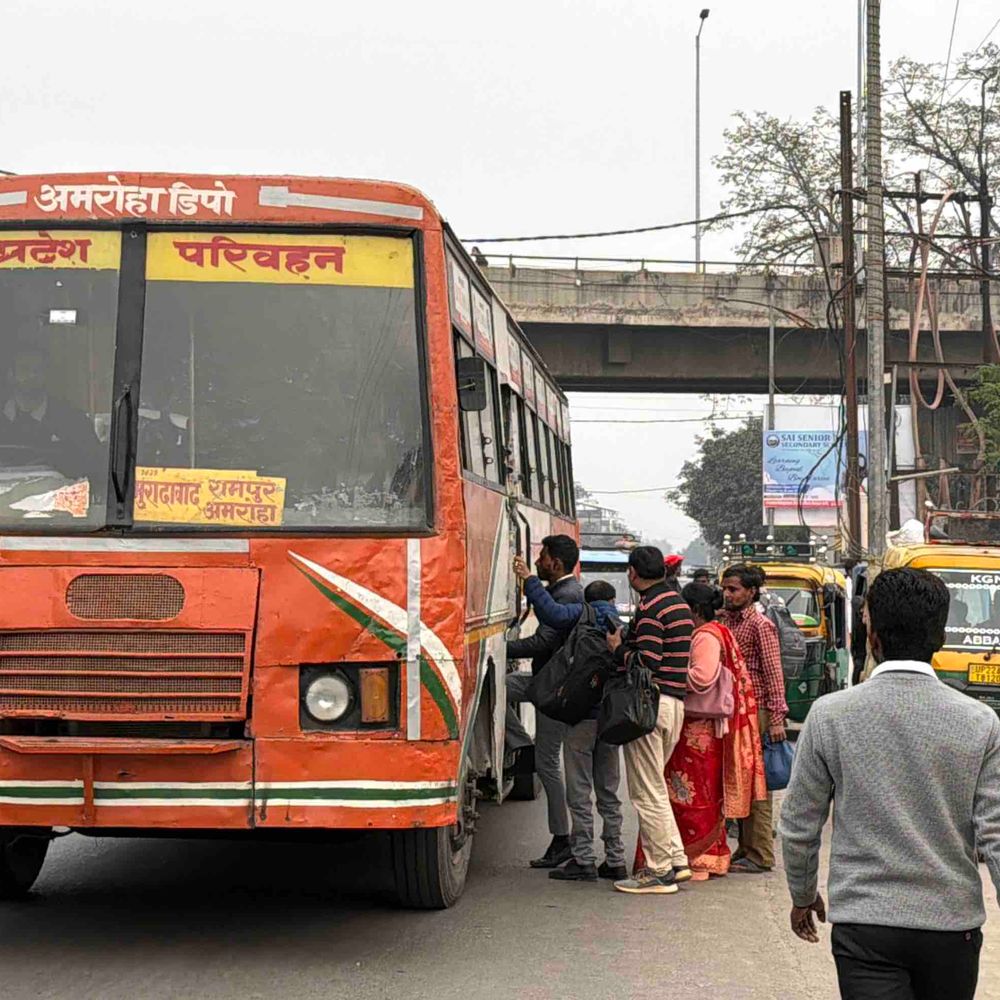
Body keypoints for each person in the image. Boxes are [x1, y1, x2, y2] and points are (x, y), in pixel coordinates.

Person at [779, 567, 1000, 1000]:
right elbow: (995, 832)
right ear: (939, 638)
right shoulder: (981, 723)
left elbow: (799, 823)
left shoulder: (829, 715)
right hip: (951, 930)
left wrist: (803, 895)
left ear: (873, 634)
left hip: (865, 926)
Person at [634, 582, 766, 880]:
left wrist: (665, 675)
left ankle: (694, 858)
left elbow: (702, 677)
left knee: (690, 796)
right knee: (694, 794)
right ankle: (701, 856)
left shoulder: (705, 636)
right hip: (702, 728)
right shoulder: (716, 632)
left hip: (698, 730)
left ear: (694, 610)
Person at [513, 558, 626, 882]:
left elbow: (551, 614)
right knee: (608, 793)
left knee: (579, 792)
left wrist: (529, 580)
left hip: (582, 720)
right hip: (611, 722)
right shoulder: (621, 624)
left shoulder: (582, 614)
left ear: (588, 600)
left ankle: (584, 859)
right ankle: (615, 859)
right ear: (612, 601)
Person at [606, 545, 693, 895]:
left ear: (632, 573)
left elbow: (647, 662)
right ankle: (675, 859)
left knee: (647, 791)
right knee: (655, 786)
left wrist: (618, 648)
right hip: (674, 705)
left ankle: (657, 871)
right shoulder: (678, 603)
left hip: (649, 705)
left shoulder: (652, 607)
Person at [506, 534, 583, 869]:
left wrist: (501, 649)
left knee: (548, 764)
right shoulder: (564, 591)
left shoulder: (567, 594)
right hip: (543, 682)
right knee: (502, 687)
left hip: (553, 691)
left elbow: (541, 642)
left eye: (542, 557)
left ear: (556, 562)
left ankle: (562, 837)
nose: (538, 562)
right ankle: (521, 744)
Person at [719, 563, 788, 874]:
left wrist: (776, 719)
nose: (727, 594)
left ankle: (760, 853)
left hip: (757, 711)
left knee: (759, 785)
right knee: (740, 781)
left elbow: (774, 675)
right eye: (725, 589)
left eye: (733, 589)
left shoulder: (760, 625)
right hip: (735, 711)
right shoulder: (728, 622)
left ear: (750, 591)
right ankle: (745, 849)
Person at [1, 345, 101, 480]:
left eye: (38, 370)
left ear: (47, 375)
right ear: (10, 375)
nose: (32, 375)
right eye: (24, 369)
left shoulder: (74, 420)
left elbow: (94, 469)